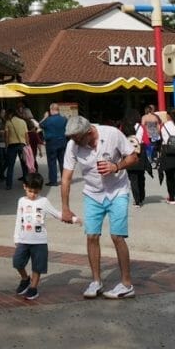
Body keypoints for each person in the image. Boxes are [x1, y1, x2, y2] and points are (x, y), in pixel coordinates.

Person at [60, 115, 138, 299]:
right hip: (92, 193)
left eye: (77, 138)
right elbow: (66, 178)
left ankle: (127, 284)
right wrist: (65, 207)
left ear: (89, 132)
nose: (74, 142)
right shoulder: (73, 145)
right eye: (72, 139)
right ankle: (96, 281)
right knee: (92, 236)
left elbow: (133, 157)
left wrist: (116, 166)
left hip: (118, 190)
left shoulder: (111, 134)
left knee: (117, 236)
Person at [12, 172, 73, 300]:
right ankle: (25, 279)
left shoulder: (43, 201)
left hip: (39, 241)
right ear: (24, 187)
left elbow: (56, 214)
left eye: (35, 192)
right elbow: (19, 219)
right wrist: (16, 237)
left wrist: (72, 218)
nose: (32, 194)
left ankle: (33, 288)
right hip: (23, 240)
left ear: (40, 190)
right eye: (30, 191)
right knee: (17, 262)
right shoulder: (21, 201)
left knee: (37, 266)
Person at [119, 112, 149, 207]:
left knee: (133, 179)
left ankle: (137, 200)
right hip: (140, 153)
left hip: (128, 154)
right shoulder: (141, 127)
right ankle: (142, 196)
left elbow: (121, 140)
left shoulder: (123, 127)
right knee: (141, 176)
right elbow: (144, 141)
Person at [40, 103, 68, 186]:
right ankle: (64, 179)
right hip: (62, 142)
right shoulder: (64, 119)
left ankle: (53, 181)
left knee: (52, 162)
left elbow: (39, 125)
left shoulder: (48, 120)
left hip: (51, 143)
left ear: (51, 110)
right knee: (62, 161)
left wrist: (45, 117)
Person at [4, 105, 29, 189]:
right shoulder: (23, 122)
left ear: (10, 114)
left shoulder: (8, 122)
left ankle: (8, 185)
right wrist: (28, 146)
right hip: (22, 145)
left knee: (10, 165)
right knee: (24, 165)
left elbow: (6, 136)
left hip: (12, 146)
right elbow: (26, 135)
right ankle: (26, 183)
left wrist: (6, 146)